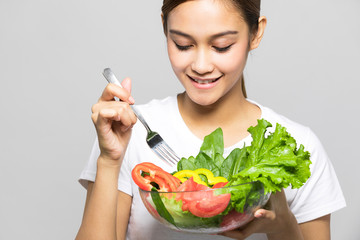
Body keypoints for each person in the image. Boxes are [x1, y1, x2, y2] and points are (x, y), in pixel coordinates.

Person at [76, 0, 346, 239]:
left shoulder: (298, 146)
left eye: (221, 46)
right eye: (183, 44)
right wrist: (109, 161)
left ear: (256, 32)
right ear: (164, 28)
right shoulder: (129, 131)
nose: (201, 65)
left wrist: (282, 226)